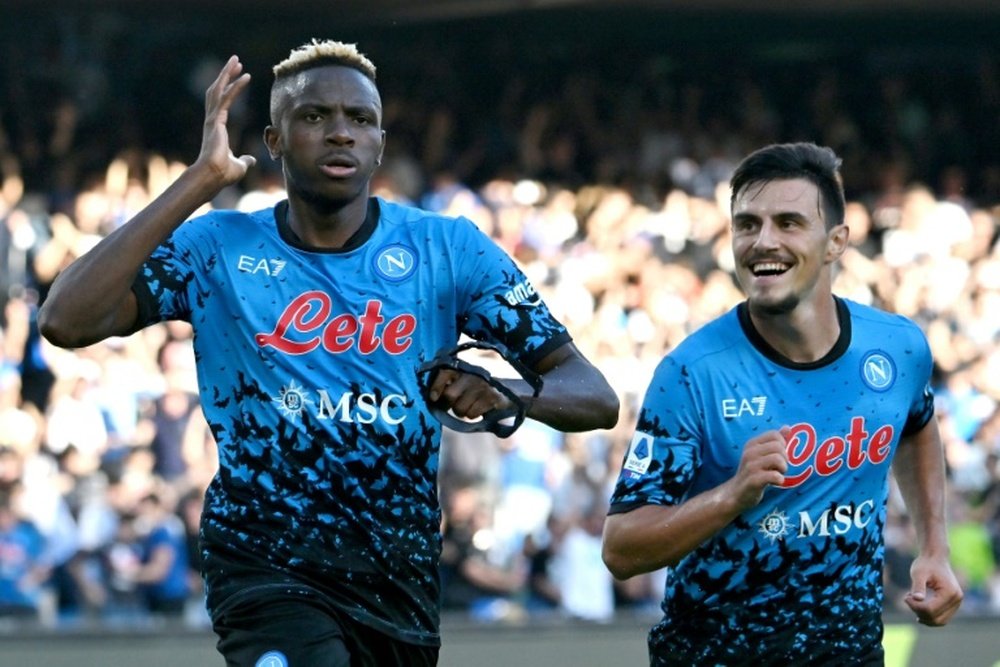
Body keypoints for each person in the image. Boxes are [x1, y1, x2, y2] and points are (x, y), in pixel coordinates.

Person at [37, 39, 618, 666]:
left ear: (380, 143)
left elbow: (595, 396)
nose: (340, 133)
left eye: (359, 119)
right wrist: (197, 183)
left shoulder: (449, 249)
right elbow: (65, 319)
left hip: (396, 577)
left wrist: (512, 394)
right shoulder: (216, 247)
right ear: (274, 139)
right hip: (264, 562)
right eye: (314, 117)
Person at [602, 142, 963, 665]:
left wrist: (934, 545)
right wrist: (731, 496)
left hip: (851, 651)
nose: (763, 241)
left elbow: (916, 424)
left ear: (836, 242)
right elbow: (621, 548)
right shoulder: (692, 373)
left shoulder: (898, 347)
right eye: (747, 224)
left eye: (789, 222)